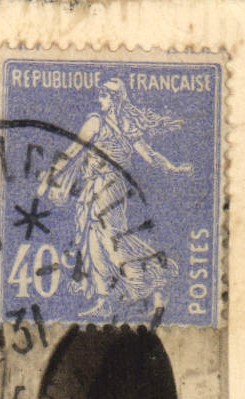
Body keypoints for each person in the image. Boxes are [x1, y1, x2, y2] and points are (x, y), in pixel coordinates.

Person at [37, 77, 193, 318]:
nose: (99, 100)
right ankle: (104, 300)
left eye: (104, 96)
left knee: (111, 238)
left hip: (109, 186)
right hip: (95, 186)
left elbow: (149, 155)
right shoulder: (100, 122)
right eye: (100, 95)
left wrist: (173, 168)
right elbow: (73, 152)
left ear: (115, 99)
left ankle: (152, 275)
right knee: (92, 239)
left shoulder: (110, 124)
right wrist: (52, 174)